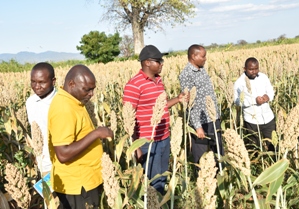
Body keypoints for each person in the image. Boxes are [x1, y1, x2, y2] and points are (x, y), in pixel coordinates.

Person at [48, 64, 113, 209]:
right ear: (71, 84)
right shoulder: (64, 108)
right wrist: (96, 133)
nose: (91, 94)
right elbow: (63, 154)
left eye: (93, 89)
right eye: (87, 89)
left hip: (84, 182)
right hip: (77, 186)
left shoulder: (73, 101)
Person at [123, 45, 185, 194]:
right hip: (147, 142)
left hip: (164, 138)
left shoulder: (158, 81)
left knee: (162, 178)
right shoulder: (134, 85)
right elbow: (128, 118)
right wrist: (136, 147)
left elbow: (160, 106)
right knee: (154, 182)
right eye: (159, 61)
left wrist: (177, 99)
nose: (162, 63)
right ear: (147, 63)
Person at [179, 44, 224, 175]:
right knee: (201, 154)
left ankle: (220, 177)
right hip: (201, 121)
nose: (205, 59)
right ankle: (203, 181)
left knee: (218, 150)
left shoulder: (201, 69)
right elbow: (189, 102)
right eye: (203, 56)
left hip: (212, 116)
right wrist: (197, 126)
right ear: (194, 56)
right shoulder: (186, 75)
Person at [234, 57, 275, 152]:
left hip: (268, 118)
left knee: (273, 145)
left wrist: (267, 97)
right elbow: (237, 101)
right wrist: (253, 101)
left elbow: (271, 91)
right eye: (251, 69)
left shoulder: (263, 77)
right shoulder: (239, 83)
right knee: (254, 146)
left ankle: (274, 164)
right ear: (244, 69)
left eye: (256, 69)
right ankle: (256, 164)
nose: (254, 72)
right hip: (251, 120)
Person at [26, 62, 56, 176]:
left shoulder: (60, 101)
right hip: (43, 163)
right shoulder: (30, 102)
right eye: (33, 82)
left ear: (53, 81)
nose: (37, 86)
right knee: (48, 193)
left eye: (42, 82)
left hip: (62, 163)